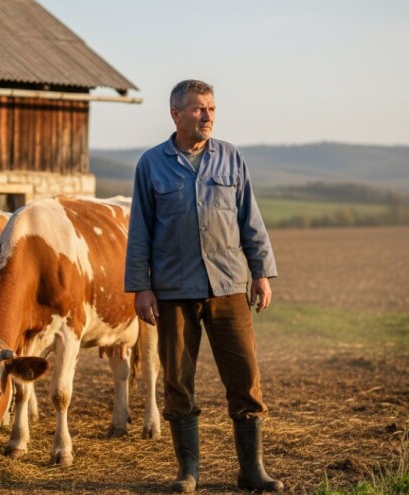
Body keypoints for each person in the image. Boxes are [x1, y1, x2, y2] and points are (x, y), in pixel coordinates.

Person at [125, 79, 284, 493]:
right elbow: (140, 231)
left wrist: (261, 273)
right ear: (175, 114)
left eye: (211, 108)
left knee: (245, 378)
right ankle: (188, 472)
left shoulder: (231, 158)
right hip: (173, 293)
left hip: (229, 287)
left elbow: (250, 219)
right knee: (178, 381)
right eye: (198, 109)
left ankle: (252, 470)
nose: (207, 116)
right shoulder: (151, 164)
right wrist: (141, 287)